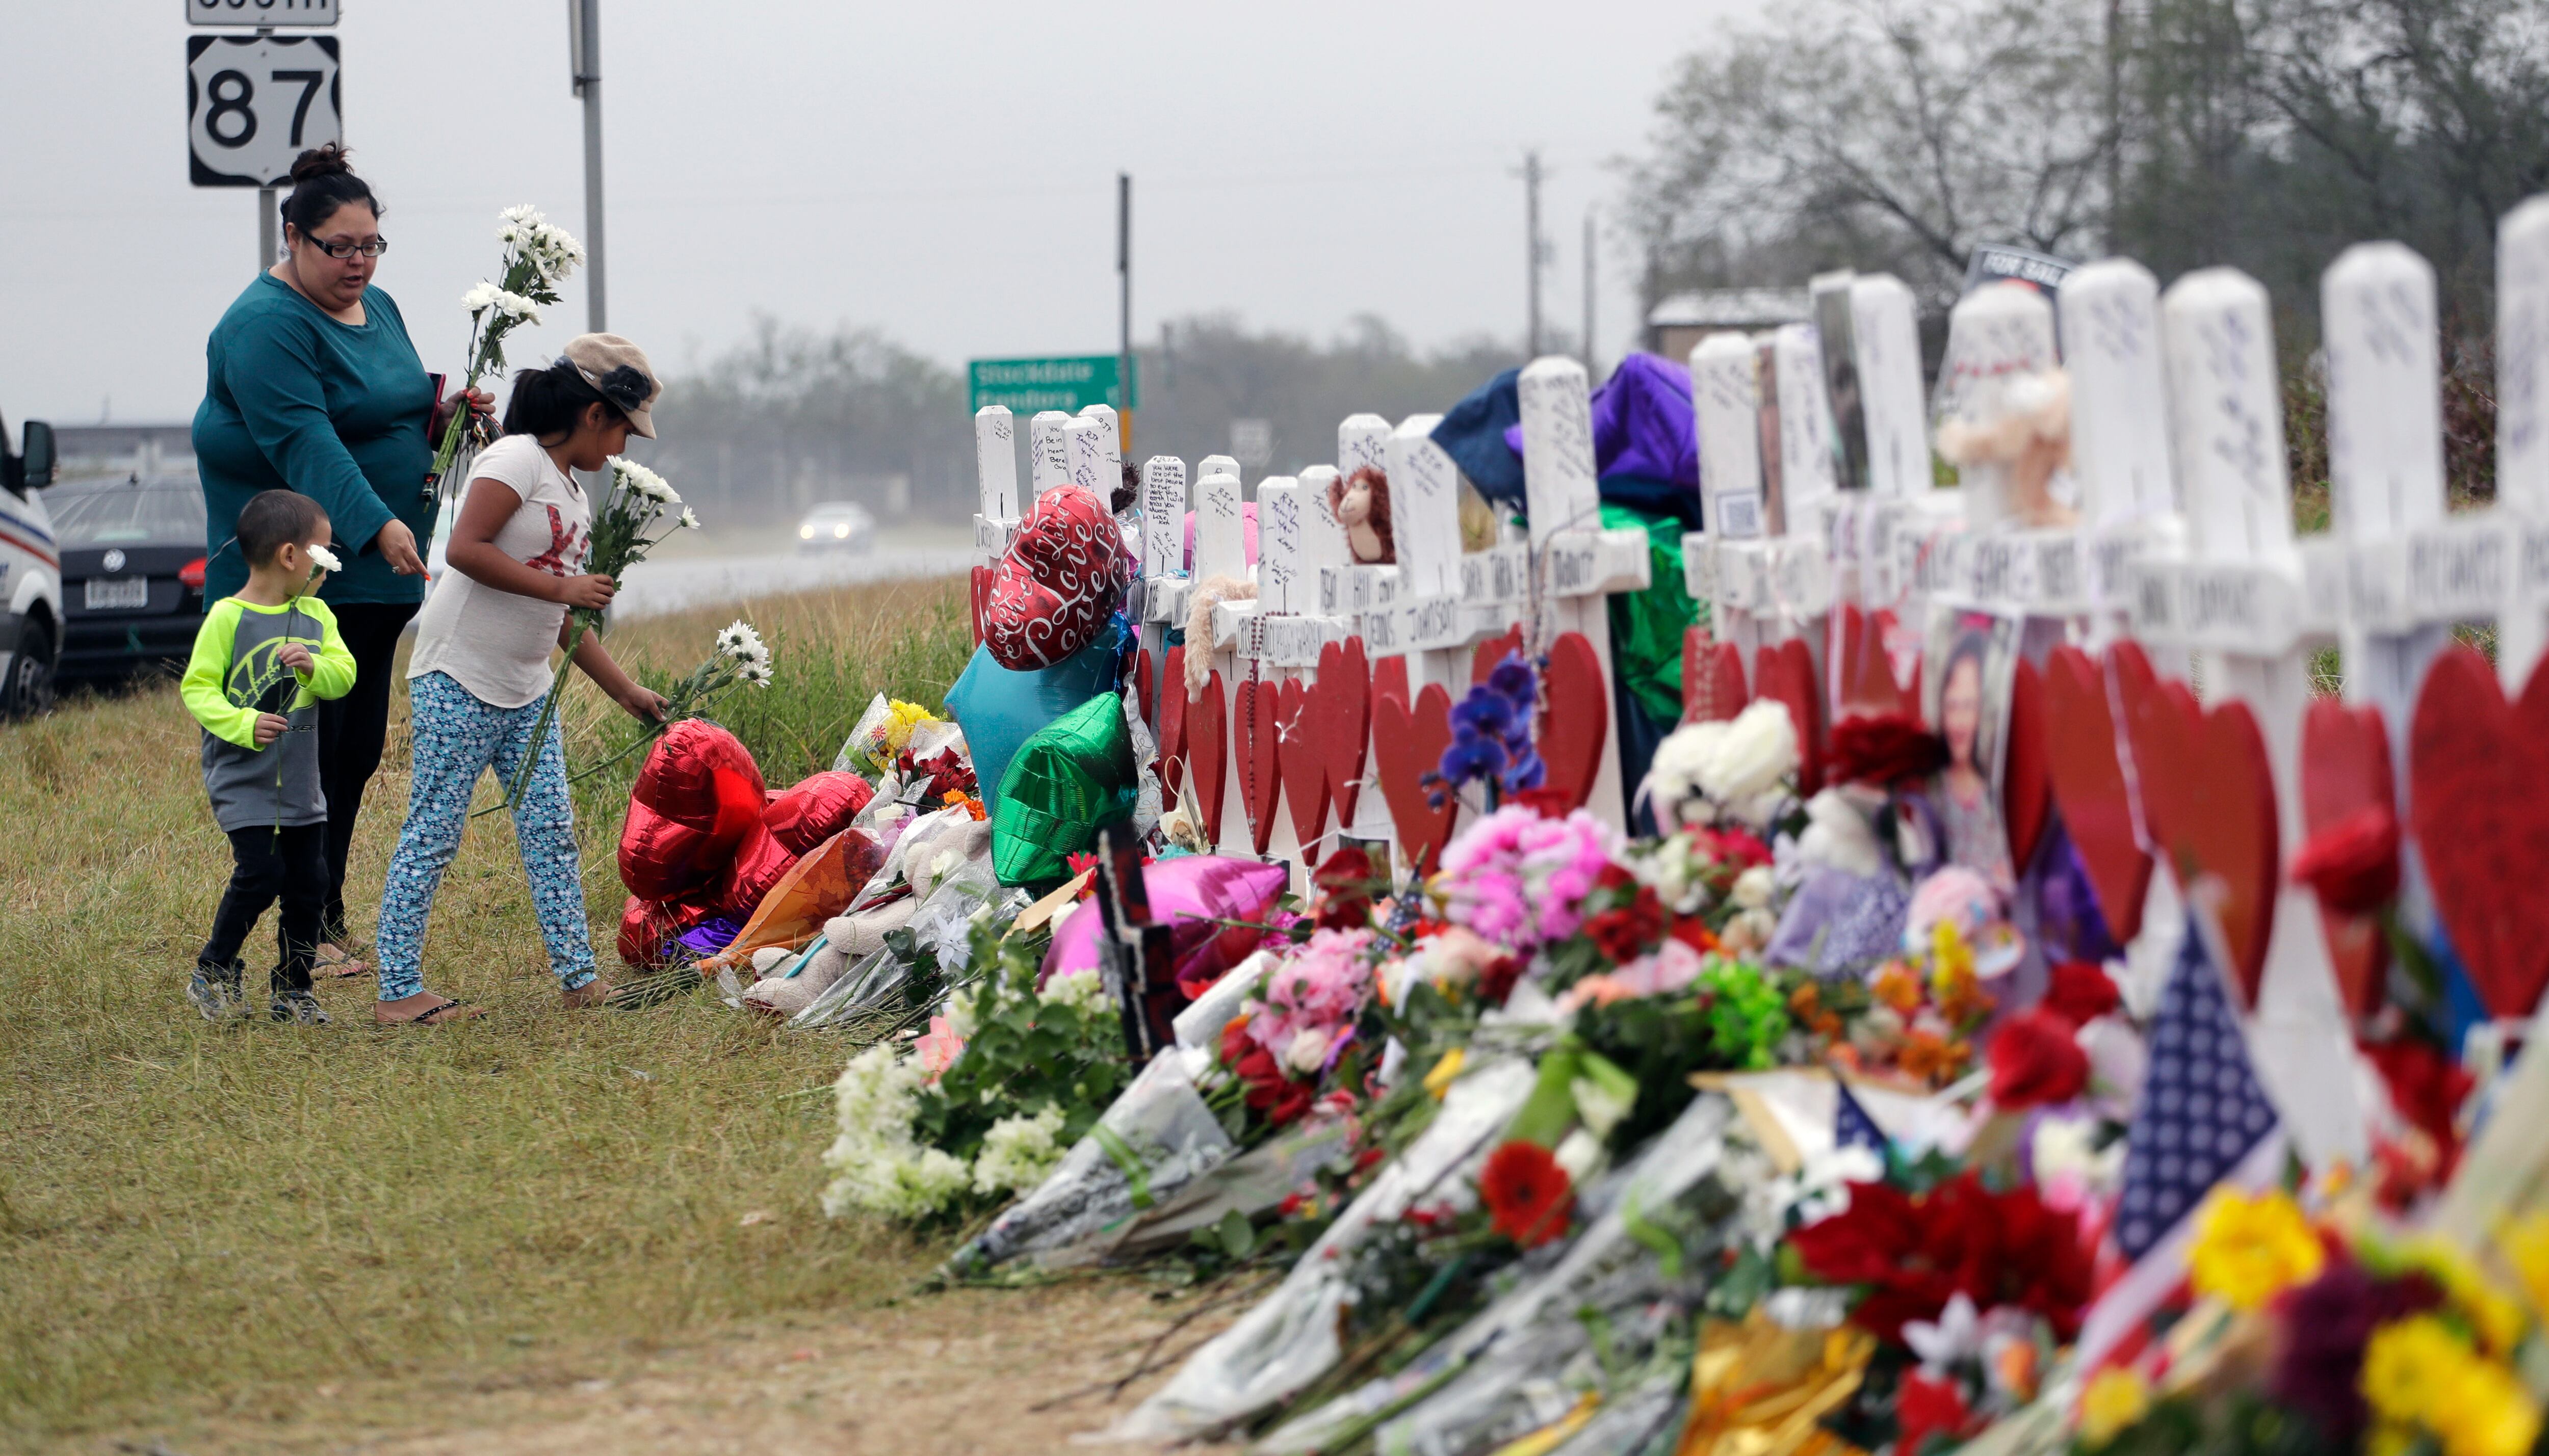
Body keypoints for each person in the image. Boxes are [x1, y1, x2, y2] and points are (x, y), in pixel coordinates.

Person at [191, 144, 491, 981]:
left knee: (351, 751)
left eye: (371, 246)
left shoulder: (380, 306)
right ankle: (297, 934)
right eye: (340, 247)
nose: (358, 262)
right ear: (294, 237)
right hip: (296, 575)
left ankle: (321, 912)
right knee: (299, 757)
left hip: (374, 577)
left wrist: (444, 419)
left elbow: (384, 408)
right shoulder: (265, 327)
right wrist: (379, 525)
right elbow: (306, 441)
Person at [370, 337, 670, 1025]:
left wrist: (625, 691)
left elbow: (560, 613)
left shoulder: (573, 493)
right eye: (624, 428)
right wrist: (563, 584)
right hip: (459, 675)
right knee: (435, 832)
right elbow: (464, 550)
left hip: (526, 687)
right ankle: (397, 993)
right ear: (595, 413)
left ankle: (579, 980)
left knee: (551, 831)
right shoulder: (515, 458)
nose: (625, 447)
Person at [179, 490, 358, 1024]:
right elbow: (199, 689)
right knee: (260, 873)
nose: (328, 565)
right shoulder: (227, 618)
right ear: (289, 557)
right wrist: (243, 723)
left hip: (302, 784)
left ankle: (294, 989)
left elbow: (344, 674)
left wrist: (313, 669)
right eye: (322, 552)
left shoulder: (319, 616)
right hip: (243, 779)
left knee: (311, 884)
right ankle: (213, 970)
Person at [1933, 630, 2013, 888]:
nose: (1958, 722)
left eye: (1969, 707)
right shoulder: (1933, 790)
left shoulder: (1994, 795)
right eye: (1951, 706)